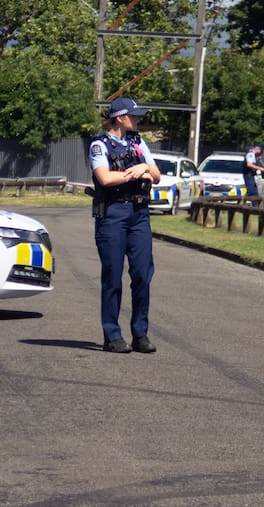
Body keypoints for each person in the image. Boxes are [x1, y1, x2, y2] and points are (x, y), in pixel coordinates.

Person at [89, 97, 162, 354]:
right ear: (119, 117)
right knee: (113, 277)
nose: (138, 119)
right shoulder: (100, 145)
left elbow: (156, 175)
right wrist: (135, 174)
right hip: (113, 214)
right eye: (134, 116)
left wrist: (143, 167)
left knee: (143, 274)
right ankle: (112, 335)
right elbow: (105, 178)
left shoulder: (138, 142)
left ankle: (140, 334)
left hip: (139, 213)